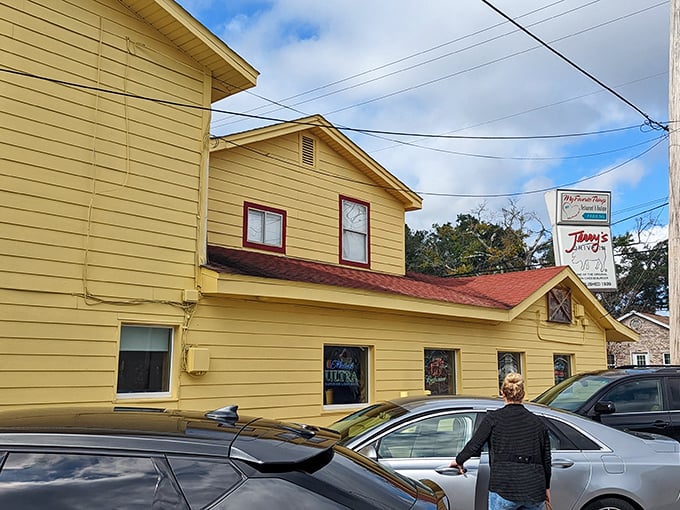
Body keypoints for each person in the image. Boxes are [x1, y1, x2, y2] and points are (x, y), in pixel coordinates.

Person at [449, 373, 551, 510]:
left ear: (502, 393)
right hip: (534, 489)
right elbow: (546, 459)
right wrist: (546, 487)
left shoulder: (494, 419)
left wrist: (459, 460)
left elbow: (474, 445)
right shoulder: (538, 423)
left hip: (504, 486)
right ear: (523, 394)